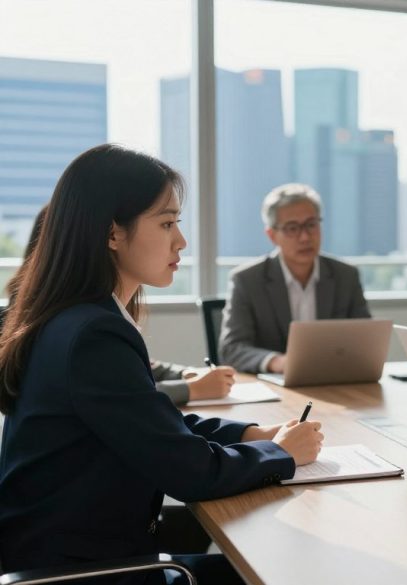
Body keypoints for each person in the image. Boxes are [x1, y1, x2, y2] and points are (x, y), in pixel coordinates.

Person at [0, 144, 325, 584]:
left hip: (75, 556)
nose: (181, 241)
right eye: (167, 223)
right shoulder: (92, 335)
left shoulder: (74, 317)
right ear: (112, 233)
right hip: (87, 574)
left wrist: (251, 433)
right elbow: (191, 474)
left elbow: (155, 422)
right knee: (293, 569)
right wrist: (281, 453)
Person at [3, 205, 235, 406]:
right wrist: (191, 389)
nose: (182, 242)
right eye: (166, 224)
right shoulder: (87, 328)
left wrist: (186, 374)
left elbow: (131, 378)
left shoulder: (81, 313)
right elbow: (123, 395)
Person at [219, 183, 371, 374]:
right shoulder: (247, 280)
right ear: (272, 235)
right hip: (275, 388)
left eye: (311, 224)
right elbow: (232, 349)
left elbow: (367, 342)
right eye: (292, 228)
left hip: (334, 382)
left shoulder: (346, 276)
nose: (305, 237)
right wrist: (276, 362)